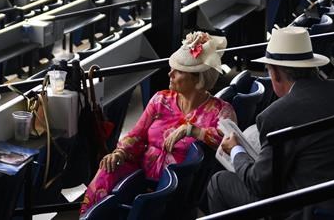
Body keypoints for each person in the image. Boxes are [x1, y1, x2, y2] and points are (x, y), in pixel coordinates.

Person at [207, 27, 334, 217]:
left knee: (218, 184)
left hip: (314, 211)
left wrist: (236, 151)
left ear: (276, 74)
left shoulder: (277, 115)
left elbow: (258, 184)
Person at [80, 32, 234, 214]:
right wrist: (120, 153)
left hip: (173, 190)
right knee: (107, 170)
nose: (170, 74)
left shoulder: (220, 110)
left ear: (197, 79)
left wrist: (192, 130)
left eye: (179, 71)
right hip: (142, 172)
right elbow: (136, 135)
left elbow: (230, 143)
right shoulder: (161, 99)